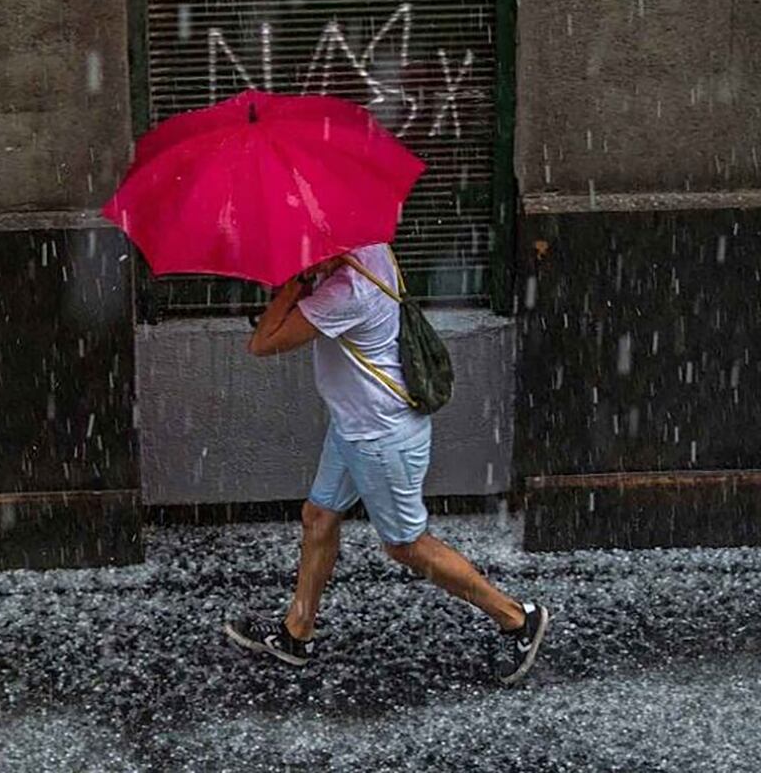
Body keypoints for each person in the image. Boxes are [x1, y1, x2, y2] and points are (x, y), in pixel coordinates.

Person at [223, 242, 549, 685]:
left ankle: (517, 617)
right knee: (319, 516)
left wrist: (298, 281)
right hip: (354, 424)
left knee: (405, 544)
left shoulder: (347, 292)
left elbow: (262, 342)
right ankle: (297, 632)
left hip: (379, 435)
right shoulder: (373, 249)